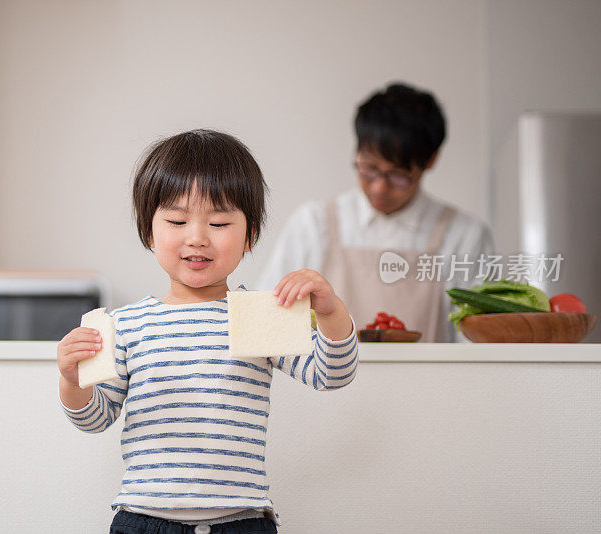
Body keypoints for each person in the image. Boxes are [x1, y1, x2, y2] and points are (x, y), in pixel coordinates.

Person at [57, 129, 358, 533]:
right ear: (149, 231)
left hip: (241, 521)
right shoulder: (125, 325)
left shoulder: (258, 313)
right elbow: (94, 419)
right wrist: (71, 380)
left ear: (250, 234)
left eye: (218, 222)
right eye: (177, 220)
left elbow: (332, 375)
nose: (197, 237)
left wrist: (330, 310)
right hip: (144, 520)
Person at [257, 83, 494, 342]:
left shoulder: (463, 236)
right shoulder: (314, 224)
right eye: (369, 168)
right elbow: (267, 317)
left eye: (398, 175)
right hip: (326, 382)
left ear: (431, 161)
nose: (379, 187)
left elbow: (475, 341)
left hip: (429, 383)